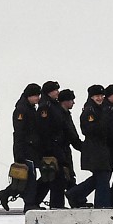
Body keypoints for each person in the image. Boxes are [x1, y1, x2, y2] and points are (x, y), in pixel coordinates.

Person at [0, 83, 43, 212]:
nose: (38, 98)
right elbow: (19, 132)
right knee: (29, 177)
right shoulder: (22, 110)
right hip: (25, 147)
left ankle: (6, 194)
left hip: (31, 147)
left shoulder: (31, 108)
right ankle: (29, 203)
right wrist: (20, 152)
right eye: (35, 95)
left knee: (26, 177)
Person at [67, 84, 110, 208]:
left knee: (100, 177)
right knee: (102, 176)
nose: (100, 98)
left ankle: (75, 194)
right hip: (94, 148)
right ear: (91, 97)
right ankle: (102, 204)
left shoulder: (100, 109)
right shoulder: (90, 111)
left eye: (102, 96)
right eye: (97, 96)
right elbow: (89, 130)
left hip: (100, 148)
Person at [37, 80, 65, 208]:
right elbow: (44, 128)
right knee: (54, 176)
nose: (57, 93)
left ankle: (56, 203)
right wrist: (49, 147)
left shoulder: (54, 105)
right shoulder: (45, 106)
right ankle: (56, 204)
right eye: (55, 90)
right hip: (51, 146)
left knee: (54, 176)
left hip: (57, 144)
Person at [54, 88, 83, 203]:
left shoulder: (65, 114)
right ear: (65, 101)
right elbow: (70, 133)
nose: (73, 103)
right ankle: (74, 199)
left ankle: (76, 199)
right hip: (60, 148)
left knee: (68, 175)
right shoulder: (61, 115)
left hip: (65, 148)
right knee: (63, 175)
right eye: (71, 100)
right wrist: (81, 146)